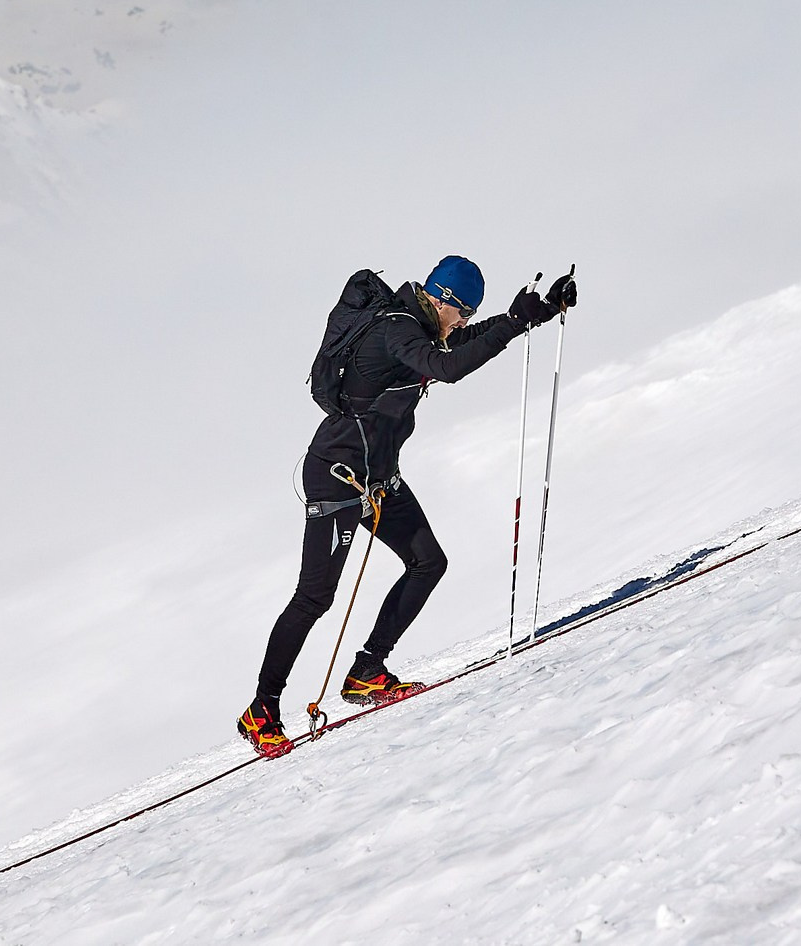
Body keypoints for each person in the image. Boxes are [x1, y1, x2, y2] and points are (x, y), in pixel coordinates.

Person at [240, 255, 576, 755]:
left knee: (428, 563)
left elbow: (459, 345)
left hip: (378, 477)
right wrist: (511, 322)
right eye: (462, 312)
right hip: (338, 478)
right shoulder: (396, 328)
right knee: (314, 598)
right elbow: (448, 368)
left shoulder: (419, 327)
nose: (462, 322)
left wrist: (537, 313)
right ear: (442, 300)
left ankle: (367, 670)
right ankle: (261, 709)